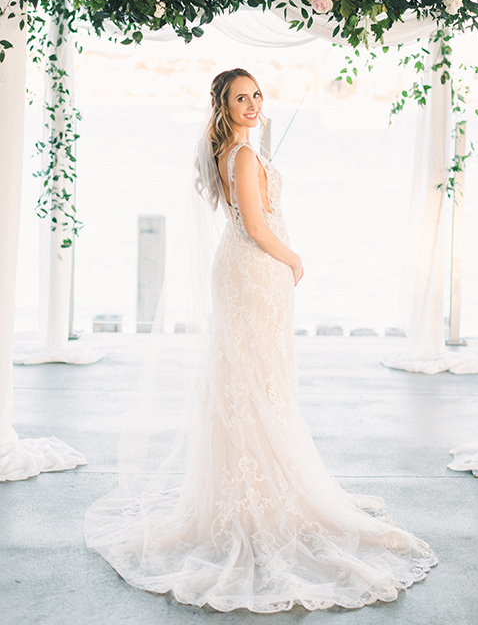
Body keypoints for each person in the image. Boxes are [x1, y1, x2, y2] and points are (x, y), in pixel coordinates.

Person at [85, 68, 437, 613]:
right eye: (240, 98)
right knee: (254, 384)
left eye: (256, 95)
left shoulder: (237, 151)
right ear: (222, 107)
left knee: (254, 382)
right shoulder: (243, 156)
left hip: (249, 274)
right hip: (253, 270)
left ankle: (249, 494)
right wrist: (294, 257)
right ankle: (255, 502)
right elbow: (253, 223)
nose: (252, 104)